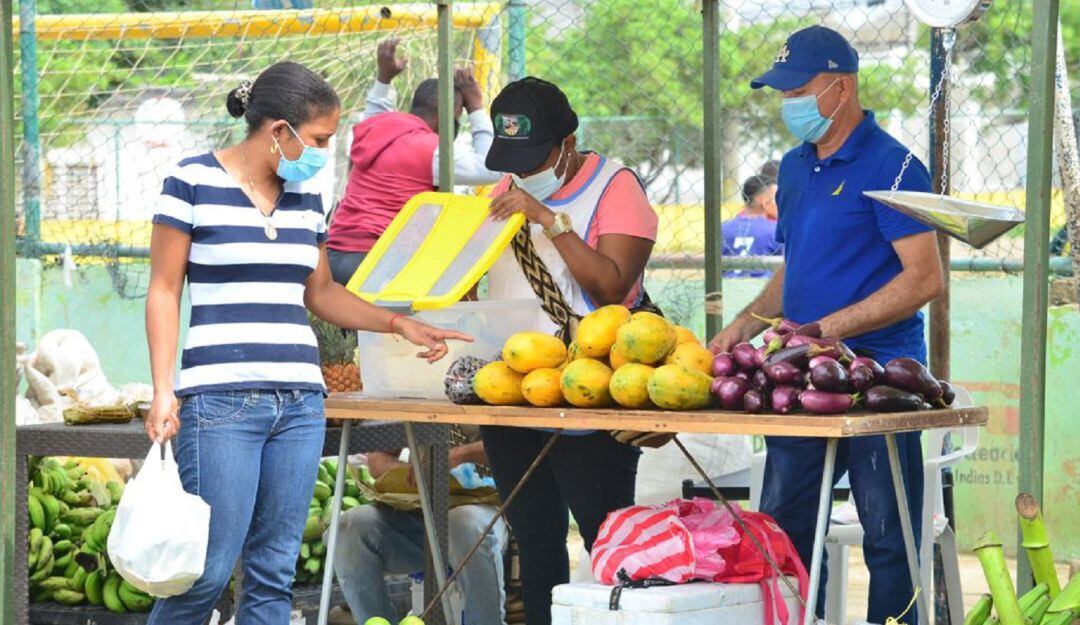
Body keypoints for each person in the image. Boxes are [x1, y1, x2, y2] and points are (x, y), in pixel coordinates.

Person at [143, 61, 469, 624]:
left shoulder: (305, 196)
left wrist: (399, 324)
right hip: (220, 402)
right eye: (318, 139)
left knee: (273, 573)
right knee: (207, 571)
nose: (324, 151)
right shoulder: (191, 180)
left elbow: (321, 292)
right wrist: (161, 390)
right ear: (278, 131)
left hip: (300, 404)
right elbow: (164, 289)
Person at [708, 26, 944, 624]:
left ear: (841, 88)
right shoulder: (791, 166)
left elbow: (923, 279)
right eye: (781, 91)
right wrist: (747, 321)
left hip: (877, 382)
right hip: (800, 377)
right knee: (784, 531)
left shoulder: (895, 166)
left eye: (798, 90)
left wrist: (832, 326)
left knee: (887, 536)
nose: (788, 103)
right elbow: (797, 265)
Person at [480, 77, 658, 625]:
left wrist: (548, 219)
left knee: (606, 537)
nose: (523, 169)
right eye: (513, 157)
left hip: (590, 388)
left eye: (534, 156)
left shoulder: (614, 187)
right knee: (534, 539)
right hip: (515, 387)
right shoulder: (502, 190)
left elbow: (611, 287)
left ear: (569, 142)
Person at [327, 38, 502, 285]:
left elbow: (375, 108)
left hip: (336, 255)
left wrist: (384, 79)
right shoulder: (431, 150)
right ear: (449, 115)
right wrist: (476, 107)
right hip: (377, 259)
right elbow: (490, 168)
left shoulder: (377, 130)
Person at [332, 426, 509, 625]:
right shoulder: (417, 396)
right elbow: (377, 460)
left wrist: (457, 456)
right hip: (424, 516)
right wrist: (411, 471)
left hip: (485, 511)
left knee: (462, 521)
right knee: (350, 527)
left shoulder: (491, 396)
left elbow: (517, 446)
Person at [722, 174, 782, 278]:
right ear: (764, 201)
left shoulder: (723, 228)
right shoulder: (776, 230)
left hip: (727, 289)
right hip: (762, 290)